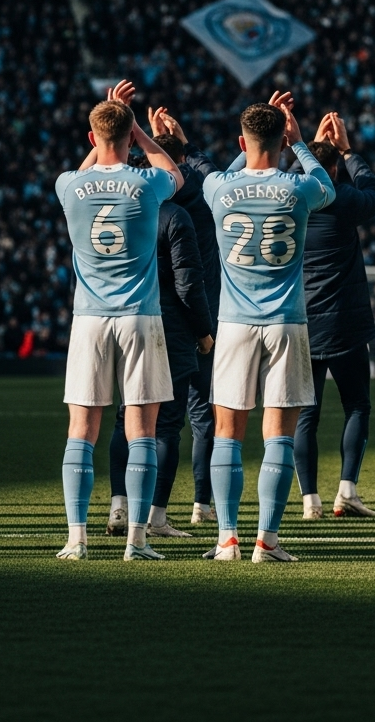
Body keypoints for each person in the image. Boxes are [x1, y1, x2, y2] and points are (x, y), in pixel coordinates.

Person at [202, 93, 335, 563]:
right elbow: (327, 186)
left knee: (227, 432)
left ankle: (226, 540)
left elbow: (238, 169)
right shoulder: (298, 188)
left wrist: (257, 146)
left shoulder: (218, 186)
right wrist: (299, 144)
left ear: (242, 140)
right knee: (278, 433)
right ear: (283, 140)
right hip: (285, 322)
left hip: (234, 324)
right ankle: (266, 542)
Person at [54, 79, 183, 561]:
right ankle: (137, 541)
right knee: (142, 430)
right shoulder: (147, 182)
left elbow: (81, 174)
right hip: (139, 318)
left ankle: (76, 539)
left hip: (89, 320)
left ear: (90, 139)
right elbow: (175, 173)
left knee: (81, 431)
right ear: (130, 137)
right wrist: (142, 135)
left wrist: (112, 126)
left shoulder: (69, 185)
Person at [106, 157, 214, 540]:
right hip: (170, 328)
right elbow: (188, 284)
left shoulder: (115, 213)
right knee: (166, 425)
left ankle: (119, 505)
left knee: (126, 418)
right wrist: (204, 331)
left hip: (124, 322)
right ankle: (154, 516)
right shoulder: (174, 215)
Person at [291, 112, 375, 520]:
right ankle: (346, 490)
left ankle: (309, 499)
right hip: (344, 325)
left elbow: (297, 179)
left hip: (301, 322)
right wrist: (346, 150)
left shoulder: (291, 197)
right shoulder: (343, 199)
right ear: (334, 170)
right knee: (358, 407)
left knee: (305, 415)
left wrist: (304, 150)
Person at [145, 108, 223, 525]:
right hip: (201, 318)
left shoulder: (142, 201)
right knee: (201, 416)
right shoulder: (207, 193)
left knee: (143, 418)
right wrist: (186, 144)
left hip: (146, 319)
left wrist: (143, 139)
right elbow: (210, 171)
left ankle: (130, 506)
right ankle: (201, 505)